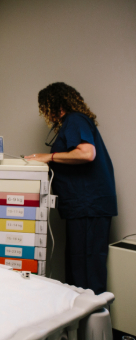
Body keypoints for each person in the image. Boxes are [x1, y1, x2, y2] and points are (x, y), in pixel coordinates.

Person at [25, 82, 117, 294]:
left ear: (54, 103)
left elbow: (87, 153)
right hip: (82, 207)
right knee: (78, 267)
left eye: (45, 106)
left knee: (87, 269)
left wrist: (49, 157)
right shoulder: (71, 123)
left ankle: (93, 324)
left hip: (89, 206)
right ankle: (80, 322)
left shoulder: (75, 119)